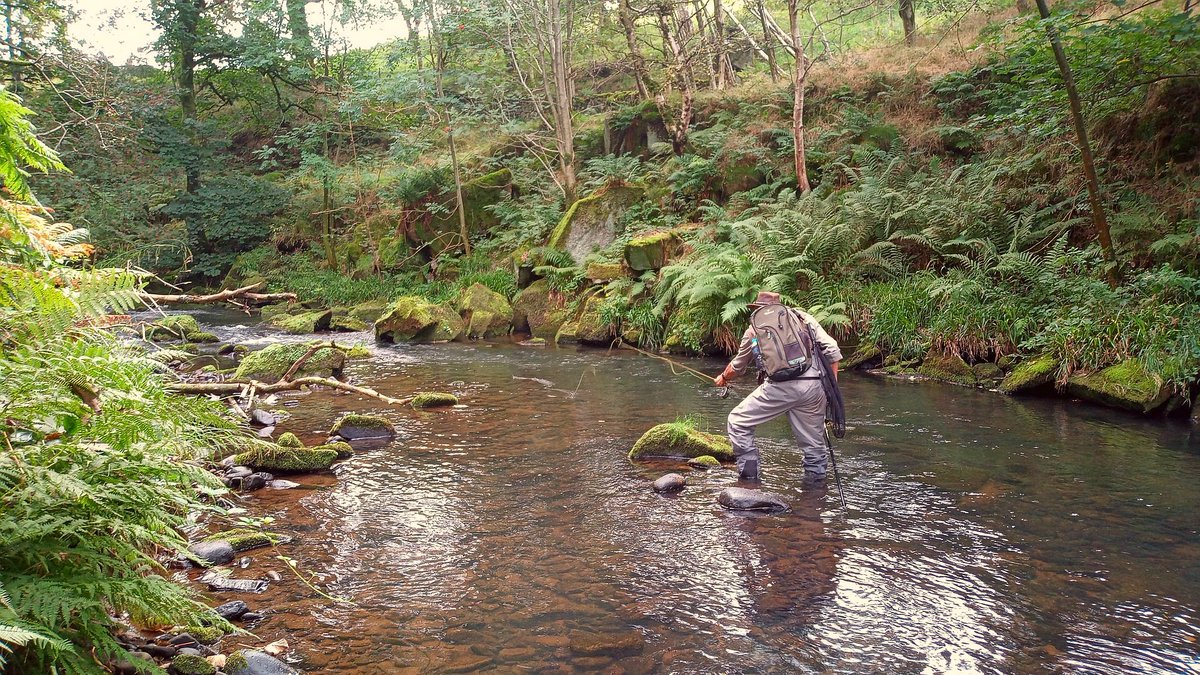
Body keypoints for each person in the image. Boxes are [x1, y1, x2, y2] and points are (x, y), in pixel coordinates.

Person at [714, 291, 842, 482]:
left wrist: (723, 377)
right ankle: (814, 498)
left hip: (779, 388)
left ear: (757, 308)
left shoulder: (754, 330)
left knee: (738, 422)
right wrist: (829, 387)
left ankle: (749, 481)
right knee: (814, 446)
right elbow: (832, 350)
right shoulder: (803, 318)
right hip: (814, 386)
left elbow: (738, 367)